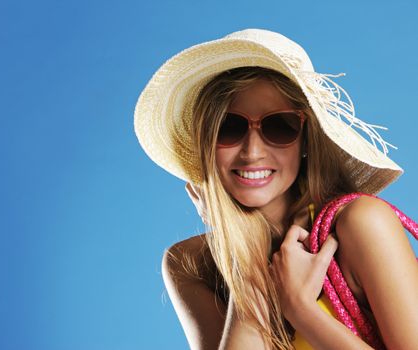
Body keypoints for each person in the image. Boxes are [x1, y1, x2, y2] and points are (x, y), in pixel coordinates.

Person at [134, 29, 418, 349]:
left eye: (279, 126)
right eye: (229, 127)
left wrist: (301, 310)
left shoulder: (361, 223)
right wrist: (247, 259)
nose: (252, 152)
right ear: (205, 143)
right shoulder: (190, 263)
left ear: (306, 140)